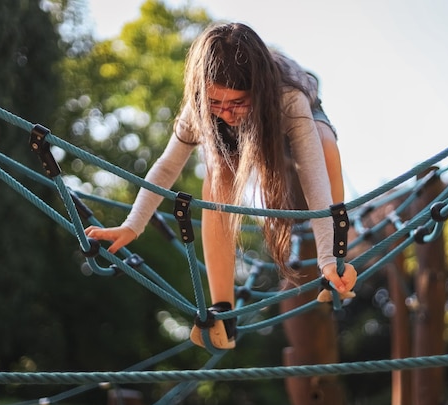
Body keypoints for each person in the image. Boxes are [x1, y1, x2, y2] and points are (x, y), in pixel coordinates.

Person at [85, 22, 357, 349]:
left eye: (236, 102)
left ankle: (337, 259)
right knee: (216, 174)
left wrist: (328, 257)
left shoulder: (289, 98)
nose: (226, 113)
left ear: (256, 92)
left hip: (291, 125)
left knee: (326, 145)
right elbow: (168, 164)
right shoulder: (201, 106)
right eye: (217, 102)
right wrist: (132, 225)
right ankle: (223, 310)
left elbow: (314, 177)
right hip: (240, 142)